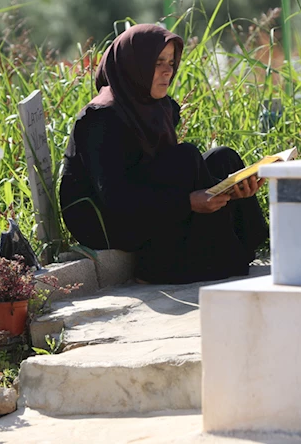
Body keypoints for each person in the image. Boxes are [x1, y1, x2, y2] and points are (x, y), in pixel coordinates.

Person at [59, 24, 269, 284]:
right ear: (134, 64)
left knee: (223, 158)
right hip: (105, 220)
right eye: (158, 62)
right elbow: (116, 197)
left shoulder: (155, 106)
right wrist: (187, 202)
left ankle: (242, 245)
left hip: (143, 199)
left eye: (171, 62)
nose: (168, 70)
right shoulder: (101, 118)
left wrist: (231, 190)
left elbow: (156, 171)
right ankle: (163, 267)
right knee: (186, 157)